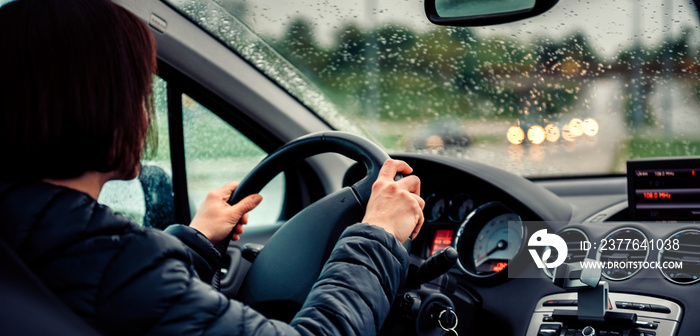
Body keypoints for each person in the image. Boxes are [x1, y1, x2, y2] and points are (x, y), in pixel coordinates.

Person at [0, 0, 425, 335]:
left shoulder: (34, 236)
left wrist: (195, 240)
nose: (145, 117)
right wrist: (378, 235)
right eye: (139, 95)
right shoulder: (114, 260)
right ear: (99, 105)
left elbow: (119, 299)